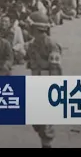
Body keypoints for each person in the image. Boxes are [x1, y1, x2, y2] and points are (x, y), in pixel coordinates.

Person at [26, 12, 63, 148]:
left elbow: (55, 69)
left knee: (45, 122)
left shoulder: (52, 45)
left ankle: (46, 144)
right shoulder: (32, 45)